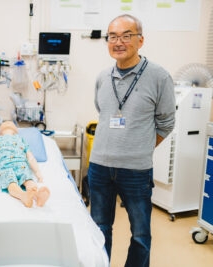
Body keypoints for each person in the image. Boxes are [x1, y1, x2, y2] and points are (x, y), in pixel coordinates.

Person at [88, 14, 176, 267]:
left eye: (126, 36)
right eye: (113, 36)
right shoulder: (102, 77)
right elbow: (103, 113)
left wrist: (141, 148)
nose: (118, 42)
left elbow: (167, 123)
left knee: (140, 234)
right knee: (99, 228)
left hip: (136, 170)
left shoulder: (159, 77)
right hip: (100, 168)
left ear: (140, 40)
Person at [0, 121, 50, 208]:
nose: (8, 123)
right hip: (4, 166)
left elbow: (30, 157)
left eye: (11, 123)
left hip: (22, 165)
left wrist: (38, 172)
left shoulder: (21, 139)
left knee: (29, 181)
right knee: (11, 183)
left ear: (16, 130)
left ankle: (37, 195)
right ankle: (23, 195)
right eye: (4, 123)